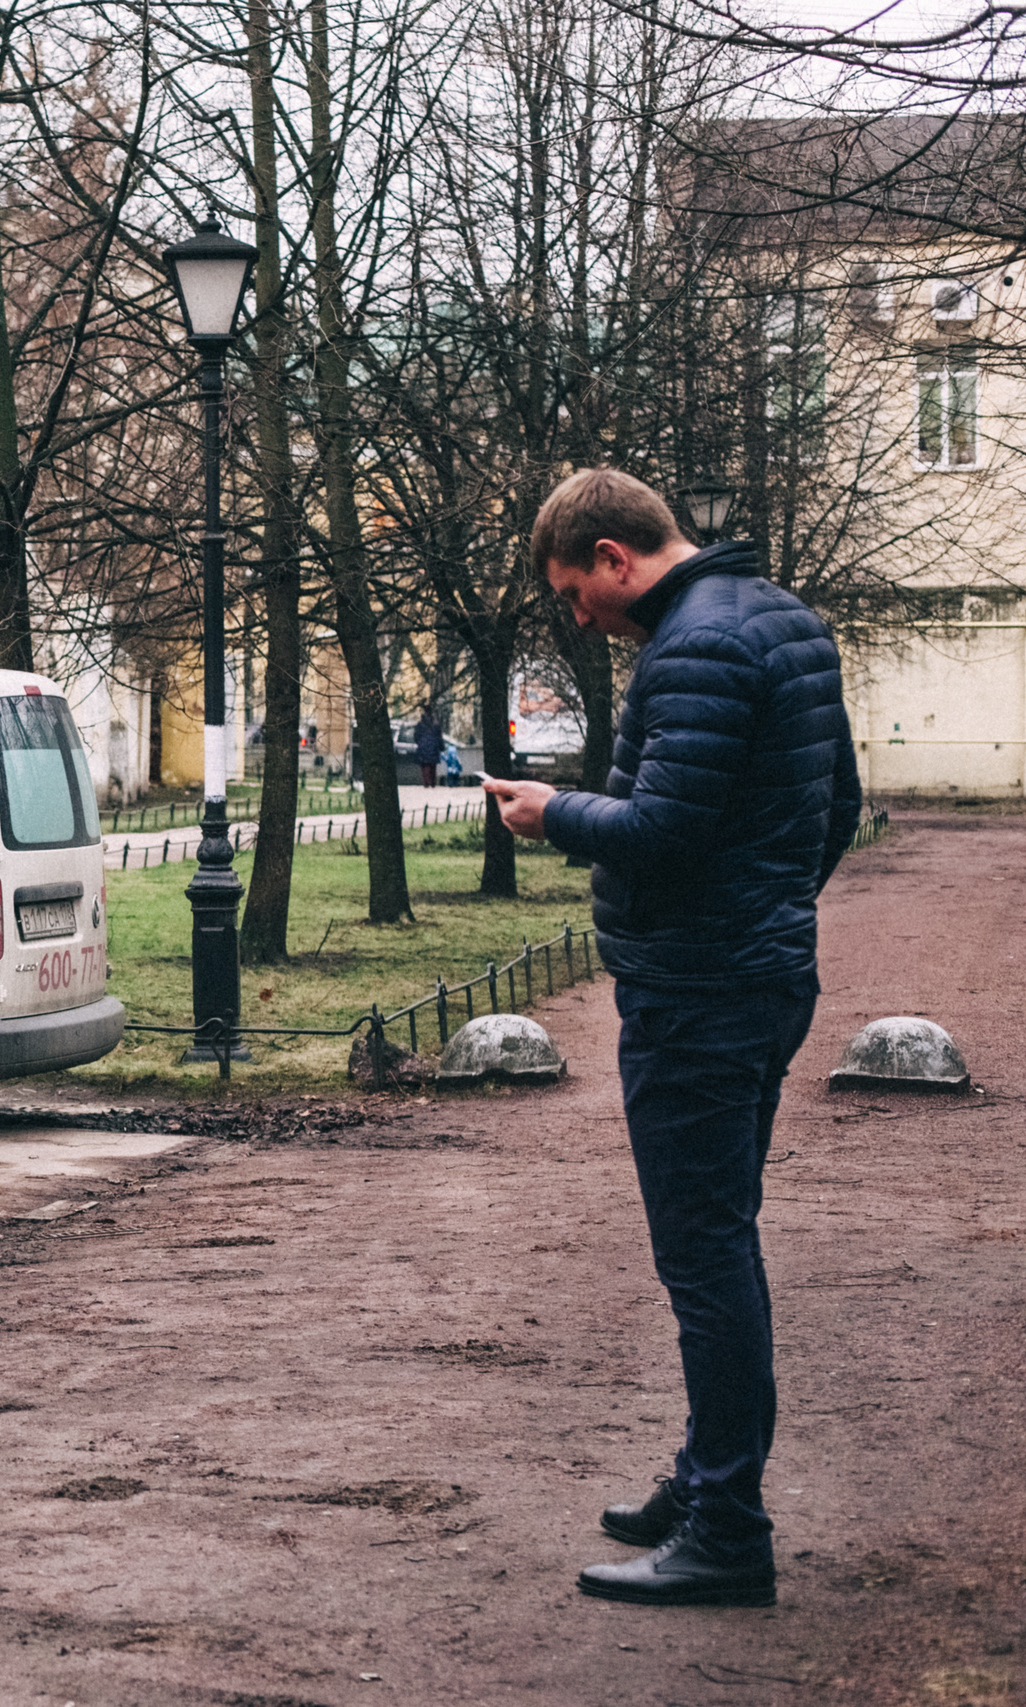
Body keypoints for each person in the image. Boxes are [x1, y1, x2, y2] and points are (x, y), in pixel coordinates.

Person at [485, 469, 860, 1608]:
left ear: (612, 556)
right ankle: (706, 1478)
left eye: (574, 593)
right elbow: (835, 804)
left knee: (704, 1255)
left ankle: (726, 1529)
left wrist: (553, 814)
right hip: (757, 974)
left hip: (699, 991)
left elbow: (661, 831)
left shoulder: (692, 646)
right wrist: (775, 907)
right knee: (720, 1239)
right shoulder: (782, 616)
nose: (579, 618)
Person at [411, 708, 445, 789]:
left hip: (423, 748)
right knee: (433, 766)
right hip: (434, 747)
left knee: (425, 766)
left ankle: (426, 783)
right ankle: (433, 783)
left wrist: (420, 743)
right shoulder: (435, 725)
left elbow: (416, 737)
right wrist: (441, 747)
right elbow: (439, 737)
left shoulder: (420, 724)